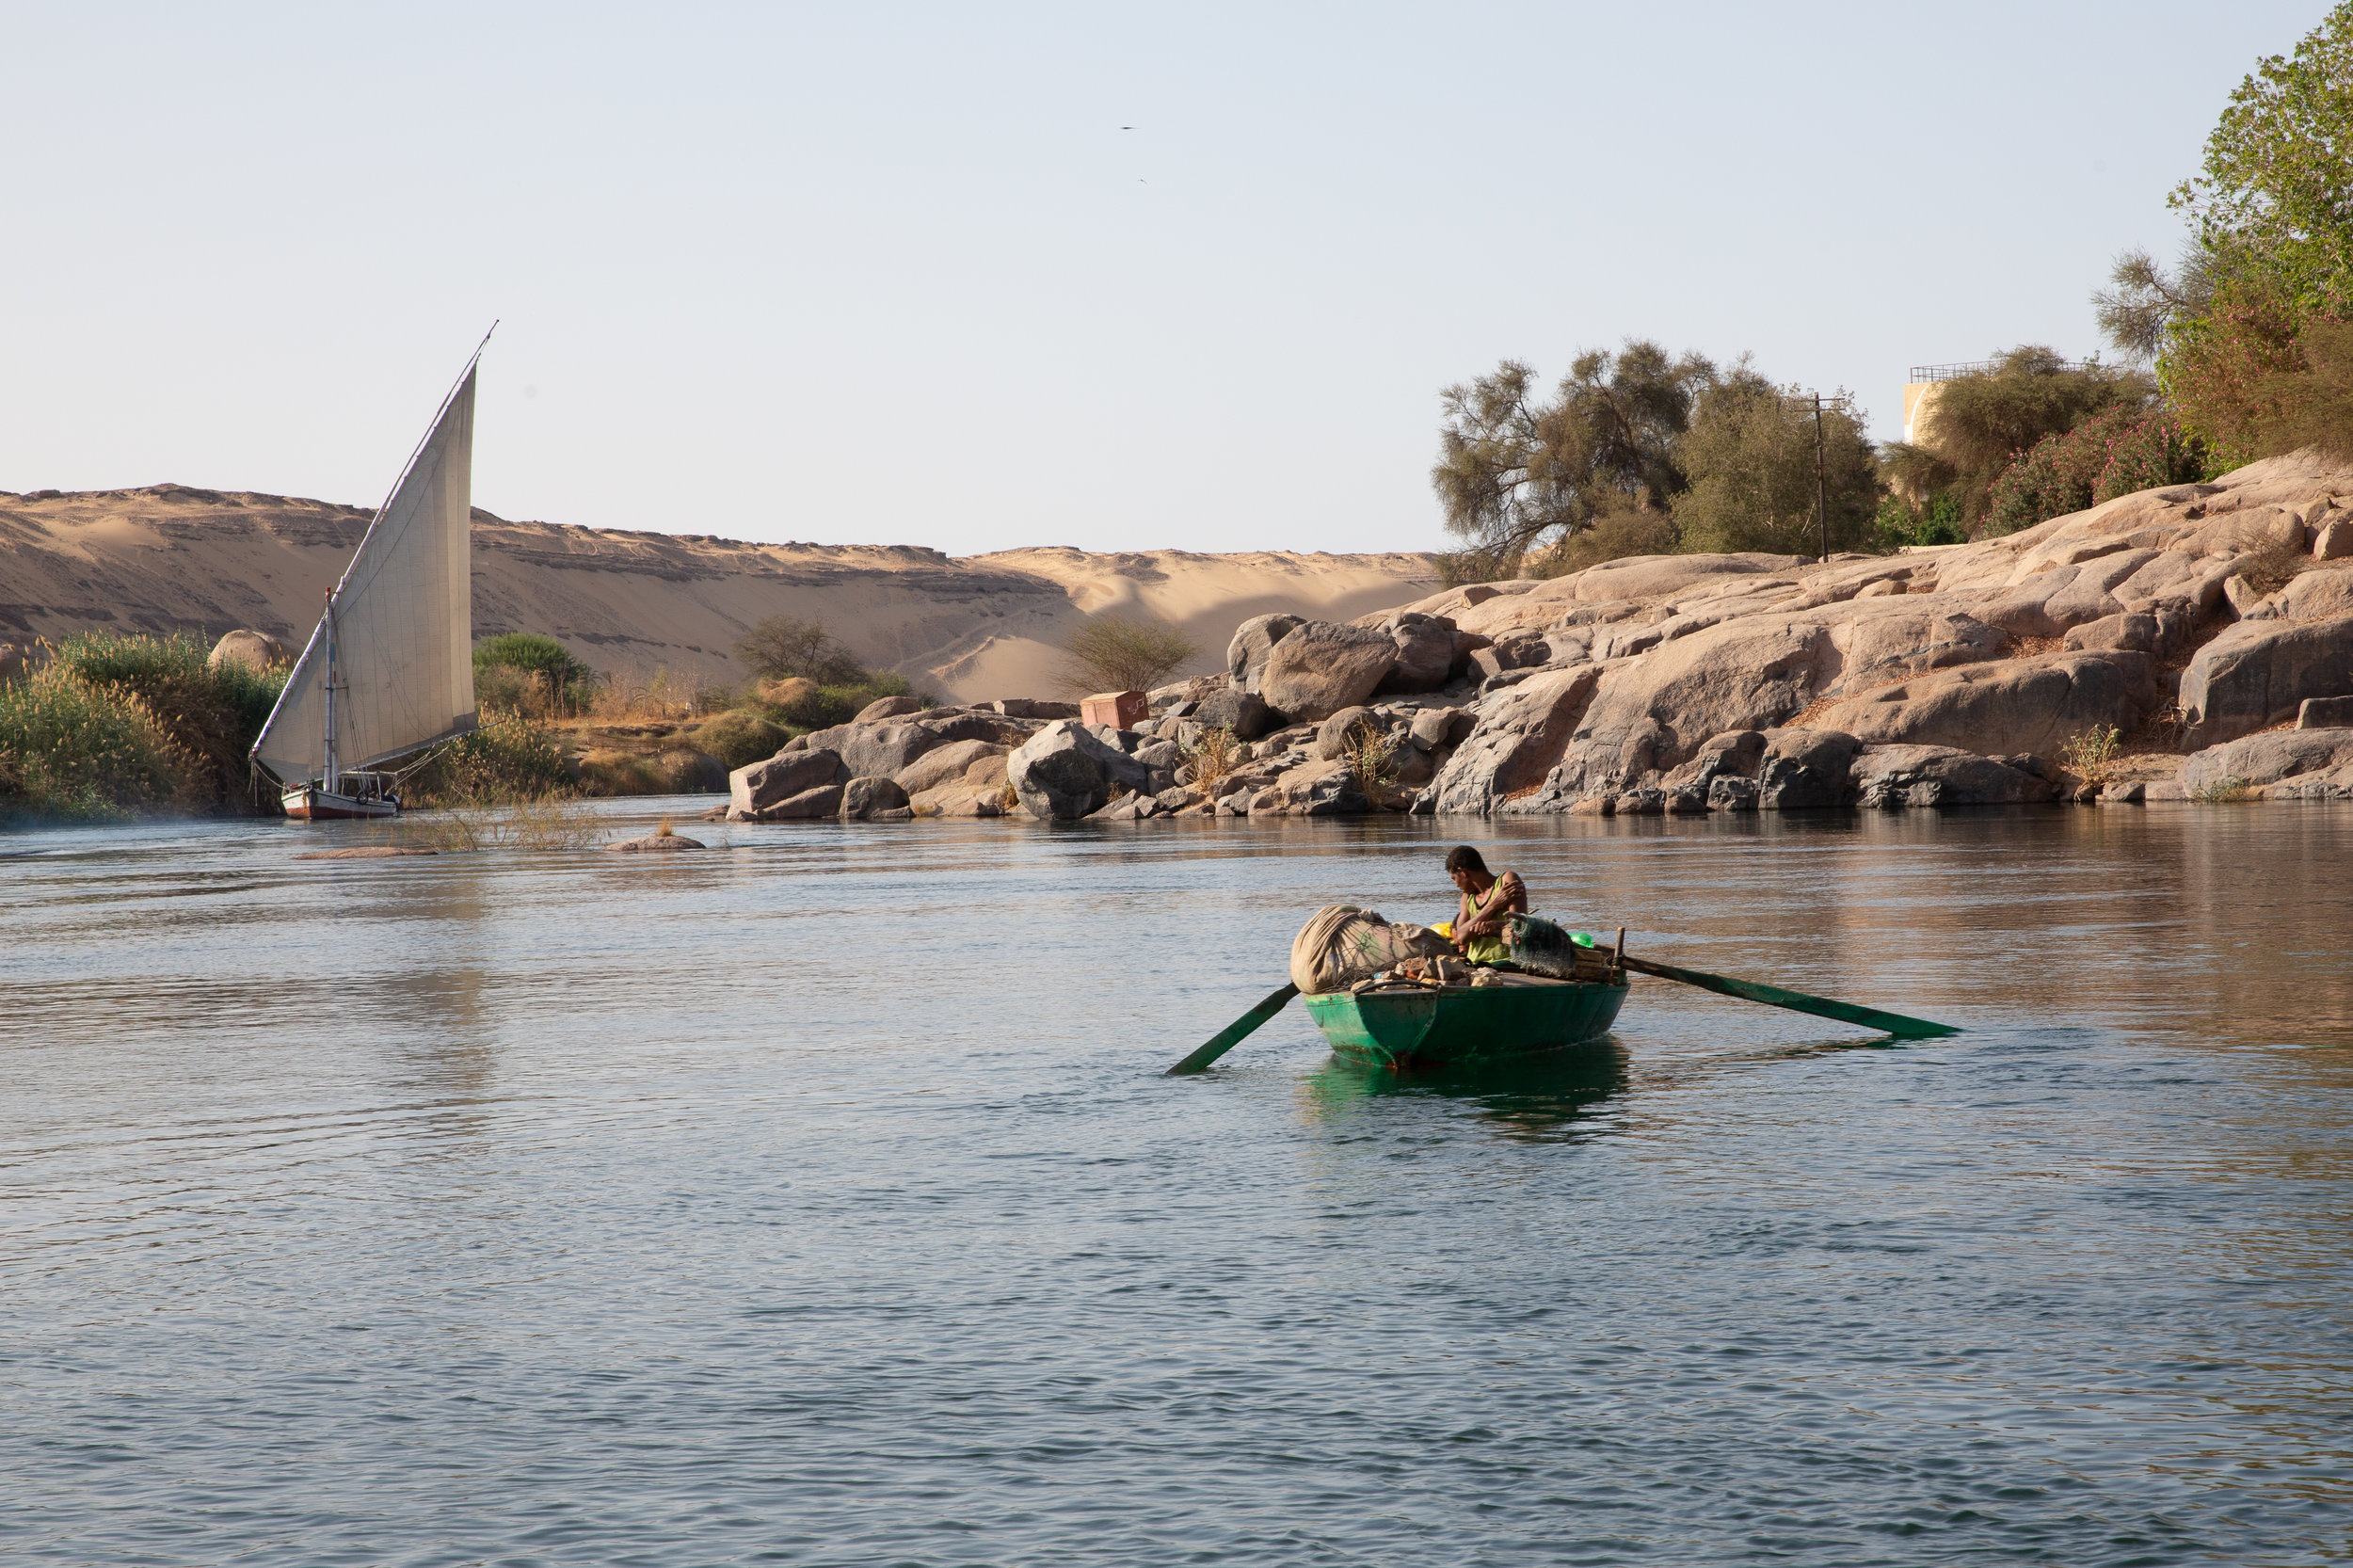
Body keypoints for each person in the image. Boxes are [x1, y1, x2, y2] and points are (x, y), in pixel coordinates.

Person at [1444, 845, 1526, 966]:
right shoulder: (1467, 897)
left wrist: (1496, 927)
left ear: (1463, 872)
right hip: (1474, 964)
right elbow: (1461, 938)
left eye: (1454, 878)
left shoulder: (1506, 881)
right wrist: (1492, 906)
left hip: (1506, 962)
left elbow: (1519, 931)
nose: (1456, 885)